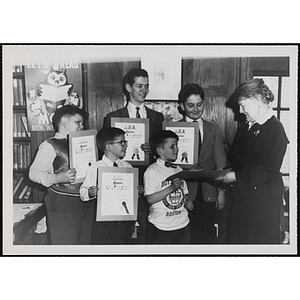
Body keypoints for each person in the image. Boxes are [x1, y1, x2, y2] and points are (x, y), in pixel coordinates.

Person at [216, 78, 288, 244]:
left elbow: (269, 169)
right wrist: (222, 172)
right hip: (243, 198)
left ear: (258, 102)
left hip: (263, 203)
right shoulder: (246, 125)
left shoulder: (275, 129)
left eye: (243, 105)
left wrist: (236, 177)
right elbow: (237, 159)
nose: (240, 111)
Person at [103, 68, 164, 243]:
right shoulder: (113, 118)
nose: (143, 90)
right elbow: (105, 152)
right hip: (121, 179)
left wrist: (154, 150)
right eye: (139, 86)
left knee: (147, 229)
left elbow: (164, 152)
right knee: (121, 229)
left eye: (146, 86)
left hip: (148, 180)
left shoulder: (157, 118)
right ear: (128, 87)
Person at [29, 105, 94, 244]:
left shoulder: (84, 143)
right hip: (63, 204)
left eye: (82, 123)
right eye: (78, 122)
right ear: (64, 121)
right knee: (65, 247)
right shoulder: (50, 145)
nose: (82, 126)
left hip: (87, 203)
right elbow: (34, 173)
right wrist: (58, 178)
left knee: (85, 249)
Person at [177, 83, 227, 243]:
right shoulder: (174, 129)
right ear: (182, 106)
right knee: (183, 237)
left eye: (199, 104)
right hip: (183, 192)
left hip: (208, 191)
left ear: (204, 103)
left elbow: (221, 163)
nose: (196, 109)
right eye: (190, 105)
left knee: (205, 236)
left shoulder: (214, 130)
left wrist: (221, 192)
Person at [80, 127, 140, 244]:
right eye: (121, 142)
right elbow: (83, 192)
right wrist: (90, 192)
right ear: (108, 146)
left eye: (125, 142)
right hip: (104, 223)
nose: (125, 145)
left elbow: (131, 198)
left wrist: (136, 193)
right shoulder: (95, 168)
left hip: (125, 221)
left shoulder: (127, 167)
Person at [143, 130, 194, 244]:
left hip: (182, 223)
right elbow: (150, 199)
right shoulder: (152, 171)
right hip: (160, 226)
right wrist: (170, 188)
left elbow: (184, 194)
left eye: (177, 145)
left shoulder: (179, 169)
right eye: (172, 146)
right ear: (160, 150)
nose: (176, 149)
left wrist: (188, 201)